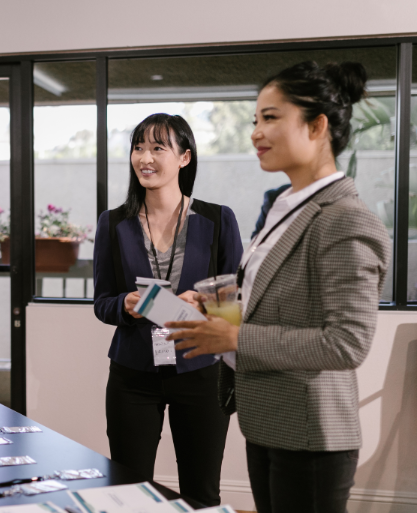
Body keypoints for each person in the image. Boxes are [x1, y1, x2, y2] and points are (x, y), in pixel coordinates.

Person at [167, 61, 390, 513]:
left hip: (311, 435)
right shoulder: (284, 206)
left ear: (317, 126)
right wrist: (219, 307)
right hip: (268, 421)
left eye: (270, 118)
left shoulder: (345, 218)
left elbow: (347, 343)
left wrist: (233, 337)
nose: (255, 133)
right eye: (255, 120)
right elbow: (274, 296)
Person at [93, 113, 243, 507]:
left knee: (202, 491)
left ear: (184, 158)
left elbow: (235, 303)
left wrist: (205, 301)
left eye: (158, 147)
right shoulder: (113, 224)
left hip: (202, 372)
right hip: (133, 374)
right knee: (127, 490)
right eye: (138, 147)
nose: (145, 157)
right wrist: (124, 305)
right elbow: (102, 301)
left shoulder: (218, 219)